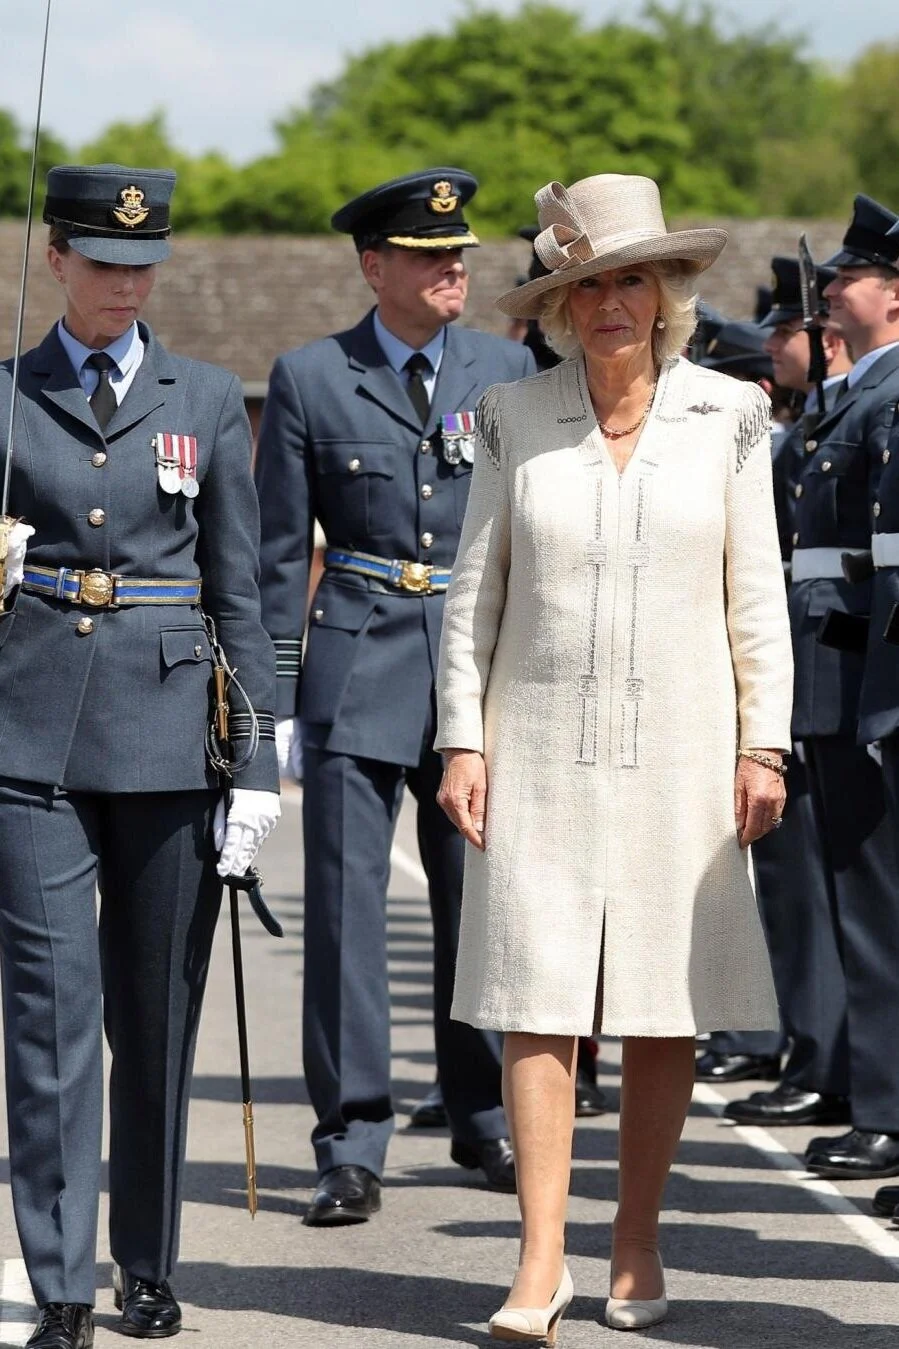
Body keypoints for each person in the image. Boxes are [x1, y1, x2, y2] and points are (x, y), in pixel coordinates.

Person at [436, 172, 792, 1336]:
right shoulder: (508, 417)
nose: (607, 303)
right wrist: (459, 737)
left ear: (668, 290)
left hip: (686, 745)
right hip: (534, 740)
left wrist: (765, 745)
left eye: (628, 277)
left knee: (659, 1000)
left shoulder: (730, 417)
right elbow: (470, 596)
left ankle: (632, 1237)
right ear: (556, 305)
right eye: (583, 284)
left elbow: (757, 599)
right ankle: (538, 1261)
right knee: (535, 996)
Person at [0, 164, 280, 1349]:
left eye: (141, 265)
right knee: (50, 1017)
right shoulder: (8, 396)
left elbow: (241, 584)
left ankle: (147, 1262)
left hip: (172, 731)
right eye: (102, 263)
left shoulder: (207, 395)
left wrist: (258, 760)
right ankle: (61, 1278)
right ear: (56, 258)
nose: (124, 283)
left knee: (155, 1016)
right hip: (31, 731)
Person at [255, 168, 534, 1226]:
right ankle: (351, 1139)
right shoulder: (310, 377)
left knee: (480, 906)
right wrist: (274, 698)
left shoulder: (506, 368)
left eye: (457, 251)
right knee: (345, 914)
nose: (453, 266)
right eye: (428, 254)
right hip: (355, 657)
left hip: (474, 670)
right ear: (376, 267)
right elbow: (282, 552)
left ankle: (483, 1111)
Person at [725, 256, 855, 1128]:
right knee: (796, 884)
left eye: (788, 329)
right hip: (810, 679)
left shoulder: (833, 423)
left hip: (838, 675)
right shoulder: (812, 425)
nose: (776, 344)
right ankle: (813, 1050)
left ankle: (828, 1059)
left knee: (825, 887)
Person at [785, 195, 899, 1182]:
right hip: (842, 676)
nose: (827, 291)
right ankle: (878, 1101)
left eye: (846, 278)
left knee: (873, 907)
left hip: (862, 669)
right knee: (860, 905)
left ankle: (881, 1103)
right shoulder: (857, 396)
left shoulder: (881, 398)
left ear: (893, 296)